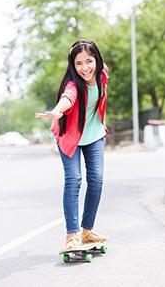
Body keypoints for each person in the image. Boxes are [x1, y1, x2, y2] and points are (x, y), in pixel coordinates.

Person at [35, 39, 109, 250]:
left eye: (89, 61)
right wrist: (58, 110)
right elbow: (69, 97)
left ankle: (87, 231)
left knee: (96, 180)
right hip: (70, 135)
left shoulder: (103, 74)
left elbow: (101, 76)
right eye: (78, 63)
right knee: (74, 179)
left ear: (97, 60)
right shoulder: (73, 84)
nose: (85, 68)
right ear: (72, 65)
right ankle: (72, 235)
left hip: (94, 133)